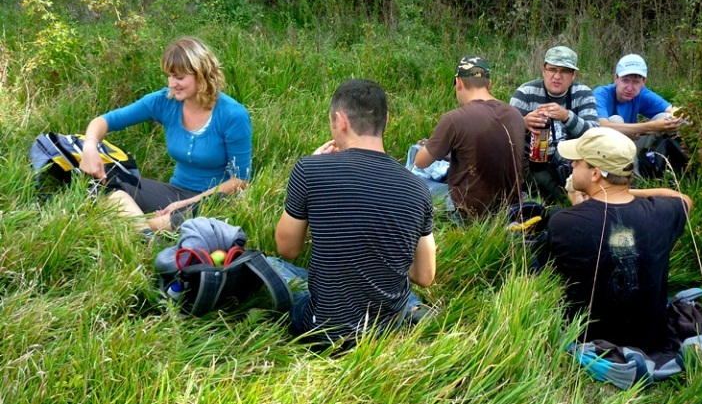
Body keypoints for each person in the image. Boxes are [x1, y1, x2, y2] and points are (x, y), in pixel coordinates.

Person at [272, 79, 436, 344]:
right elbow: (425, 276)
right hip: (386, 330)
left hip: (323, 330)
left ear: (340, 121)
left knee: (271, 264)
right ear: (387, 120)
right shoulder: (418, 189)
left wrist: (312, 170)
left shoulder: (309, 170)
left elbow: (287, 249)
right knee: (391, 278)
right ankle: (412, 309)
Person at [542, 127, 693, 353]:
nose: (571, 165)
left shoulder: (563, 222)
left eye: (577, 162)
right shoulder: (662, 213)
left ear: (595, 174)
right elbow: (683, 199)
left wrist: (583, 203)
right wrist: (626, 191)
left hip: (588, 339)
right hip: (651, 340)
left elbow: (552, 270)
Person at [79, 36, 252, 234]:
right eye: (169, 76)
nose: (172, 84)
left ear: (202, 74)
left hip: (214, 200)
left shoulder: (232, 114)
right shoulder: (164, 101)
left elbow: (241, 181)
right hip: (175, 193)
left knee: (192, 216)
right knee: (100, 183)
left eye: (179, 77)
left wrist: (187, 203)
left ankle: (143, 227)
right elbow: (105, 121)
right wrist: (90, 147)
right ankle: (150, 232)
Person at [411, 56, 526, 218]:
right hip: (510, 208)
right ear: (489, 83)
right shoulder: (516, 115)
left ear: (459, 83)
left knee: (413, 153)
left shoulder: (454, 118)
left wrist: (429, 145)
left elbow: (420, 162)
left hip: (466, 210)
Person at [510, 45, 599, 203]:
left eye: (564, 71)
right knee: (552, 190)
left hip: (573, 160)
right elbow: (506, 134)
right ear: (543, 70)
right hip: (535, 162)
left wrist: (567, 117)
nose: (557, 76)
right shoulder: (525, 93)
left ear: (573, 75)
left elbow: (595, 134)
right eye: (552, 69)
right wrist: (523, 123)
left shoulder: (583, 93)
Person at [593, 54, 683, 144]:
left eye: (636, 82)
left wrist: (682, 116)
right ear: (616, 78)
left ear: (643, 82)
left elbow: (674, 111)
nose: (630, 88)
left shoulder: (642, 94)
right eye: (625, 80)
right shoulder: (600, 94)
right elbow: (602, 126)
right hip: (602, 148)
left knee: (668, 119)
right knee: (616, 120)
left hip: (632, 144)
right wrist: (650, 127)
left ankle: (663, 151)